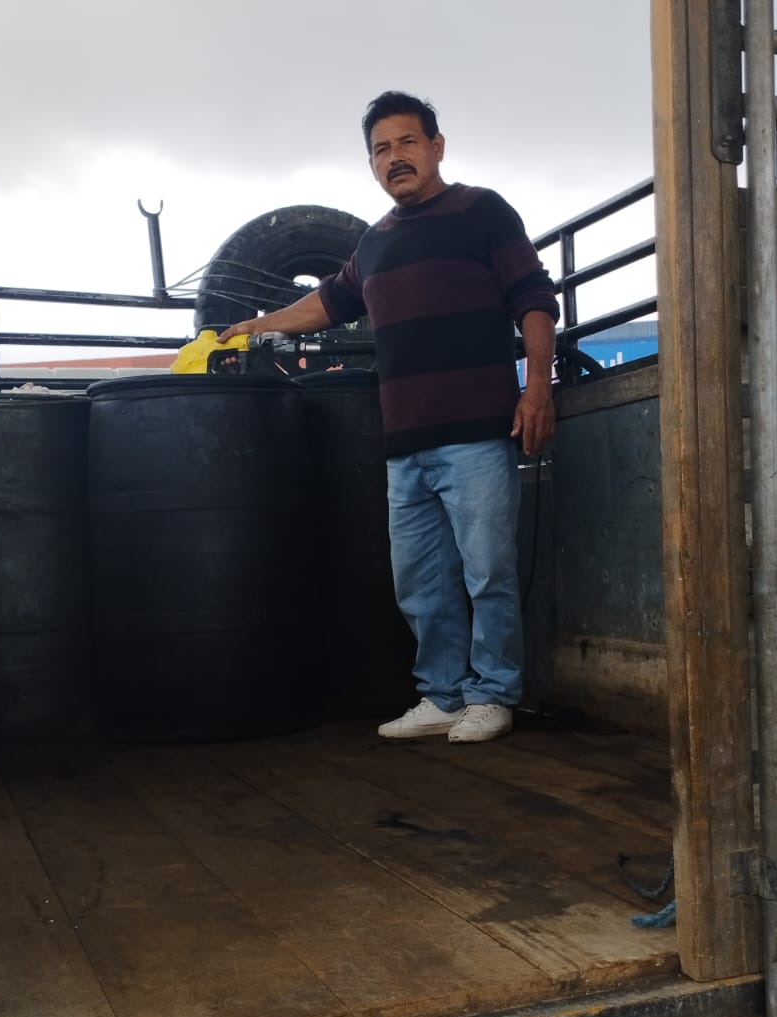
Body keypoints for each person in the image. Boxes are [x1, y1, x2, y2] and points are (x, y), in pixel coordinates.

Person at [221, 90, 558, 745]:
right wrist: (254, 326)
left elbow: (533, 298)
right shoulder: (374, 243)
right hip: (404, 445)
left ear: (437, 146)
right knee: (420, 581)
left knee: (488, 571)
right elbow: (325, 303)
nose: (395, 157)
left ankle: (493, 695)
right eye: (381, 149)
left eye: (407, 142)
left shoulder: (483, 211)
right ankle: (443, 694)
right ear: (371, 164)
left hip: (476, 433)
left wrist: (537, 388)